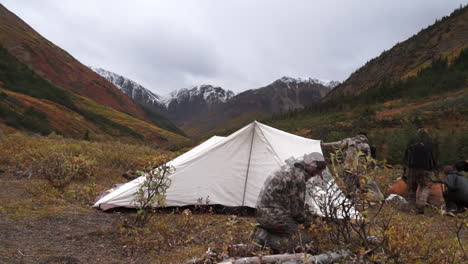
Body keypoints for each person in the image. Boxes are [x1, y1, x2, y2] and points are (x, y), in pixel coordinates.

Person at [253, 152, 327, 253]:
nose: (316, 175)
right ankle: (267, 239)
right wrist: (312, 223)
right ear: (310, 166)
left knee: (295, 232)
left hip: (261, 213)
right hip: (275, 216)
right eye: (317, 171)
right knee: (307, 244)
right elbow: (297, 212)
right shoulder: (299, 176)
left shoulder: (288, 168)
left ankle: (264, 233)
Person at [403, 128, 437, 214]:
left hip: (412, 169)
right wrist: (432, 169)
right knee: (424, 187)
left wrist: (405, 170)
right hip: (425, 170)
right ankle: (420, 207)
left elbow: (406, 159)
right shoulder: (428, 148)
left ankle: (409, 206)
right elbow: (432, 160)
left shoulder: (411, 147)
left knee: (411, 188)